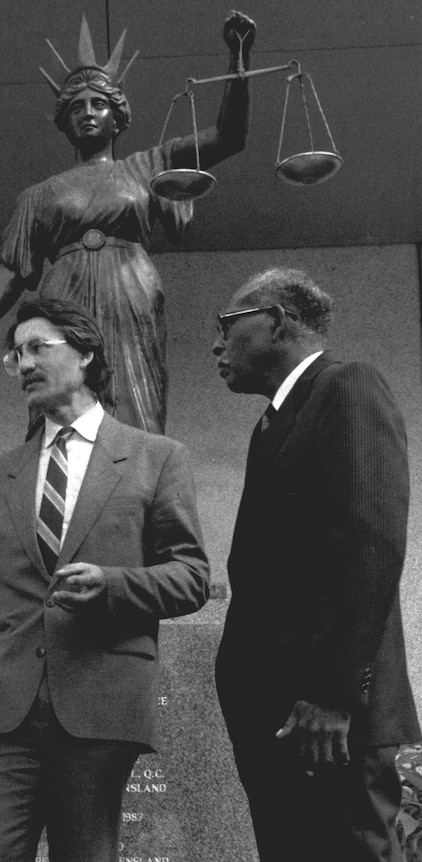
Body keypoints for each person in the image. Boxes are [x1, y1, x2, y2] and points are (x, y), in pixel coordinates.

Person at [0, 298, 209, 862]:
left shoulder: (156, 458)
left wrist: (112, 585)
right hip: (0, 710)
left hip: (101, 704)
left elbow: (191, 576)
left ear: (85, 353)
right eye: (16, 355)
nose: (24, 364)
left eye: (37, 347)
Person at [0, 11, 256, 434]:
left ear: (117, 116)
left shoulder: (151, 164)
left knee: (136, 402)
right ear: (64, 121)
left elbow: (229, 136)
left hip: (129, 293)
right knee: (61, 400)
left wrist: (239, 58)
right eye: (76, 107)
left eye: (98, 104)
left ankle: (136, 468)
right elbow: (11, 273)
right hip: (64, 299)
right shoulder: (38, 195)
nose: (87, 113)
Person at [212, 267, 421, 861]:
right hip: (278, 715)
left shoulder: (347, 387)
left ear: (277, 321)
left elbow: (371, 547)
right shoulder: (273, 424)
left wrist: (332, 694)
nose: (217, 345)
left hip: (327, 719)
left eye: (227, 325)